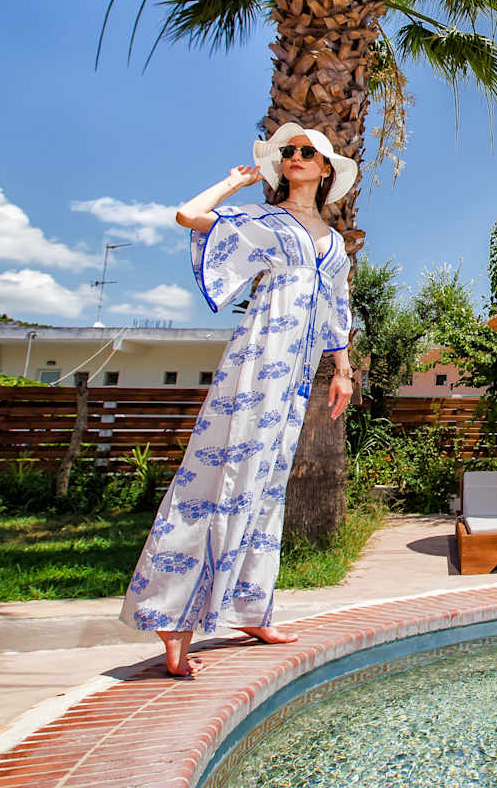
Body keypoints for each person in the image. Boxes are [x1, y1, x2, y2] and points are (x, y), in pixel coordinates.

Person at [119, 123, 357, 677]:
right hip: (256, 361)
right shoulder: (264, 221)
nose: (295, 156)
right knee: (221, 474)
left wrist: (343, 370)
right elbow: (188, 216)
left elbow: (337, 307)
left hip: (297, 375)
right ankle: (173, 615)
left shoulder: (335, 242)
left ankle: (250, 607)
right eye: (288, 151)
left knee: (267, 485)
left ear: (325, 168)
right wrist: (233, 183)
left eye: (307, 152)